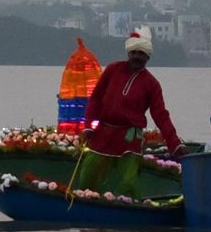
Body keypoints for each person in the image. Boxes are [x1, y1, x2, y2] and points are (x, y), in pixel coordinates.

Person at [77, 28, 183, 198]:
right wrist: (88, 126)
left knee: (129, 184)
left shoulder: (152, 84)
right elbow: (96, 98)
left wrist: (175, 144)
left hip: (130, 139)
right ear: (128, 53)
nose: (136, 57)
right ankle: (88, 211)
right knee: (88, 178)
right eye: (133, 52)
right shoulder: (113, 69)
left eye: (141, 54)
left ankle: (129, 212)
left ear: (147, 57)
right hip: (103, 134)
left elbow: (161, 115)